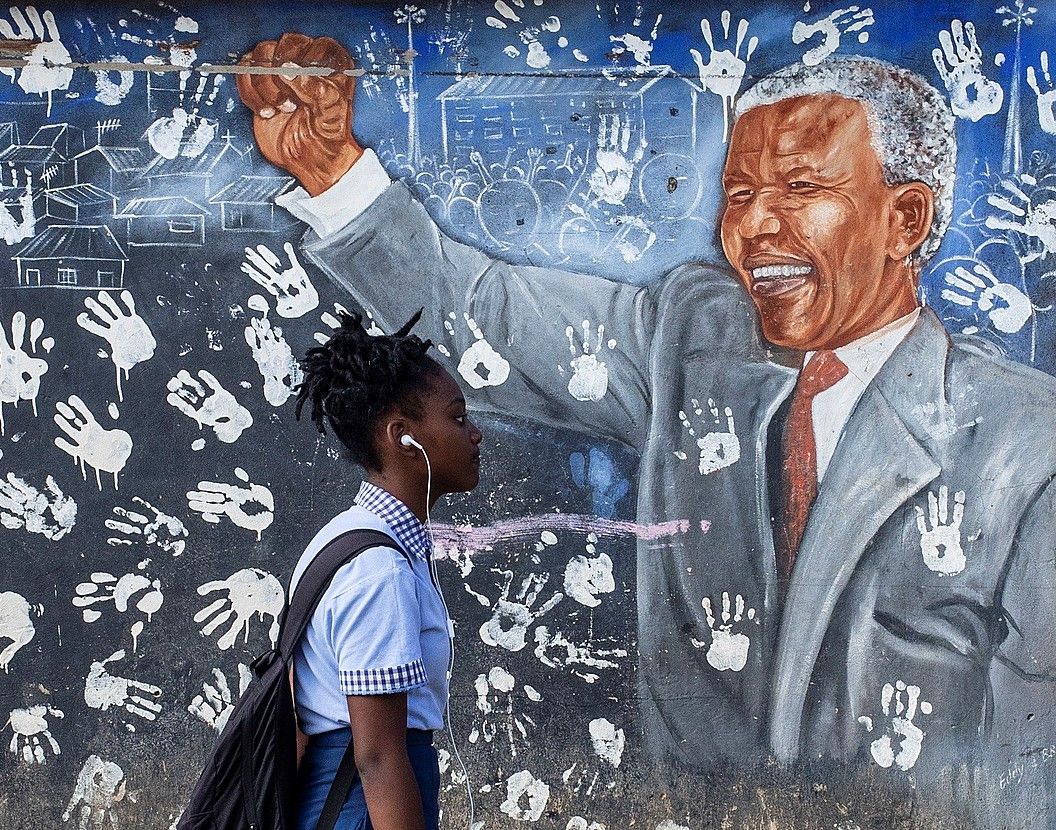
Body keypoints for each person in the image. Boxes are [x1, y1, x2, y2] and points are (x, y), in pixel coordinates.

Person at [241, 42, 1056, 823]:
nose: (756, 228)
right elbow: (485, 315)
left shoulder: (1029, 446)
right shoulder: (693, 339)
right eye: (739, 195)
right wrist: (332, 170)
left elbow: (1033, 760)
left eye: (800, 188)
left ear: (904, 220)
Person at [288, 309, 482, 830]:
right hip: (361, 806)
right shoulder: (379, 568)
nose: (475, 435)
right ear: (403, 437)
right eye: (458, 418)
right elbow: (377, 756)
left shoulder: (339, 541)